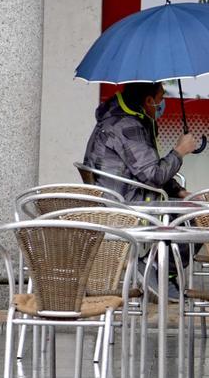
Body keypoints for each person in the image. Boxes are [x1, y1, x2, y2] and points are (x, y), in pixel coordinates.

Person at [83, 82, 201, 300]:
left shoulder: (124, 119)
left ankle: (158, 267)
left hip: (120, 197)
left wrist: (179, 191)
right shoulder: (127, 126)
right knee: (195, 219)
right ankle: (156, 267)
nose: (162, 103)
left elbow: (143, 169)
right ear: (148, 101)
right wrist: (180, 151)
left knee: (191, 205)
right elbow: (153, 175)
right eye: (161, 97)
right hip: (126, 208)